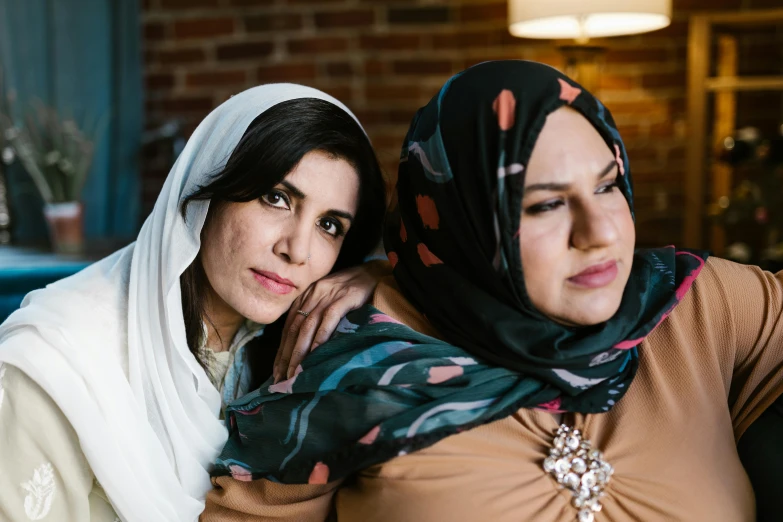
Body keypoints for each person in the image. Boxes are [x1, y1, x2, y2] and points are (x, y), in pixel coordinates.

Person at [202, 61, 783, 522]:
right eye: (546, 204)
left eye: (608, 186)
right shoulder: (348, 364)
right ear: (461, 228)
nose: (603, 233)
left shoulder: (698, 310)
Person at [0, 84, 387, 522]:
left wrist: (374, 275)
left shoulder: (295, 344)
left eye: (329, 225)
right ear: (206, 190)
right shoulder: (54, 366)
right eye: (276, 198)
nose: (298, 250)